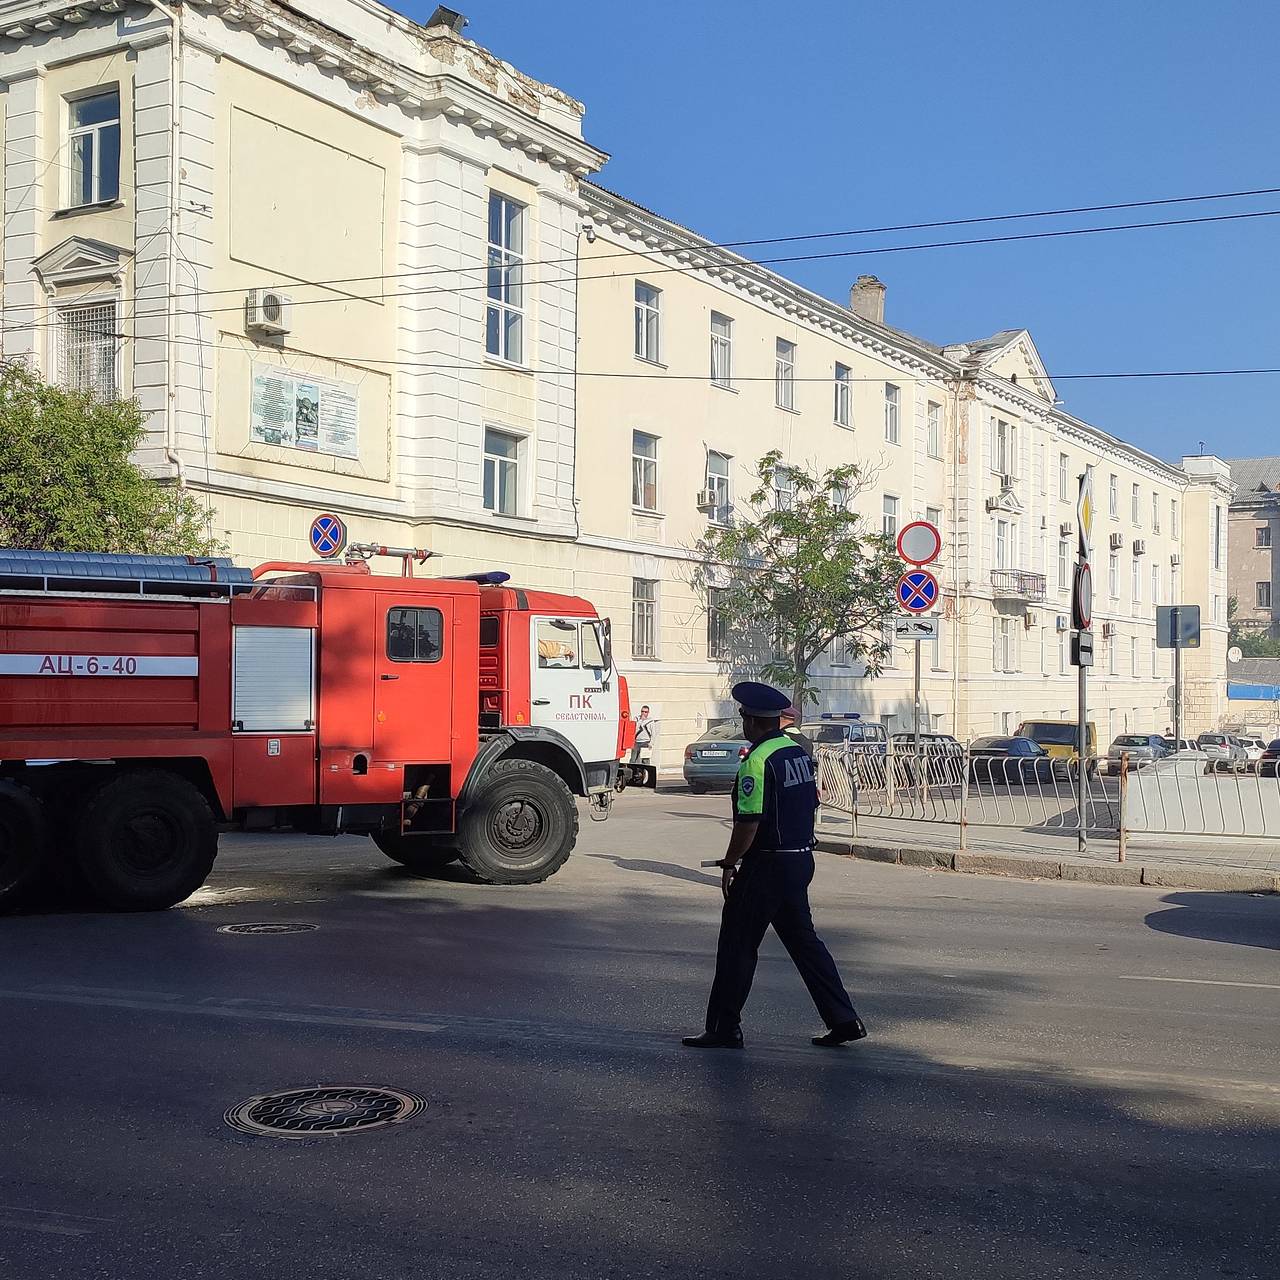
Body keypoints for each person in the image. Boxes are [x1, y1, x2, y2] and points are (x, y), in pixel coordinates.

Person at [682, 681, 867, 1050]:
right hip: (799, 860)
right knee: (805, 944)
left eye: (744, 719)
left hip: (766, 867)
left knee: (737, 945)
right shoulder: (795, 752)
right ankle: (844, 1020)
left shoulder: (756, 760)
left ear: (752, 722)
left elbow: (748, 822)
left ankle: (724, 1027)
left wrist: (730, 863)